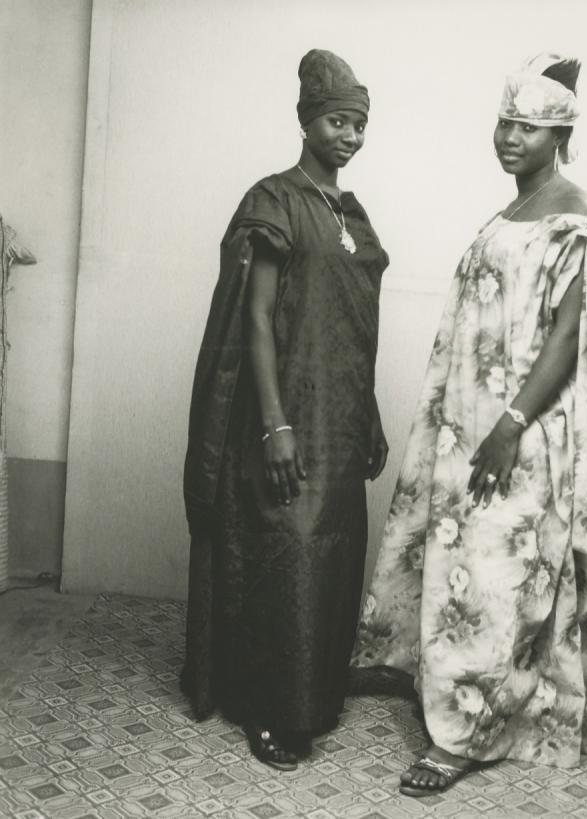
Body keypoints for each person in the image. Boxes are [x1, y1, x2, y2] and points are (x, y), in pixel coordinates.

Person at [351, 53, 587, 795]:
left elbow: (571, 334)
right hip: (470, 422)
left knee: (501, 577)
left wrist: (511, 422)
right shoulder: (510, 212)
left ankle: (467, 733)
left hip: (524, 427)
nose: (510, 137)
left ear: (559, 134)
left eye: (528, 127)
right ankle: (435, 683)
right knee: (462, 569)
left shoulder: (579, 215)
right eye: (505, 123)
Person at [181, 49, 389, 771]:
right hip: (287, 415)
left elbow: (354, 333)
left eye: (360, 124)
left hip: (340, 418)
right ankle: (269, 707)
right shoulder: (275, 201)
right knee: (286, 554)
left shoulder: (352, 216)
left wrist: (373, 414)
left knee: (329, 558)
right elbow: (257, 319)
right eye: (338, 120)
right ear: (307, 121)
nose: (351, 135)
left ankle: (314, 694)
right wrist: (273, 425)